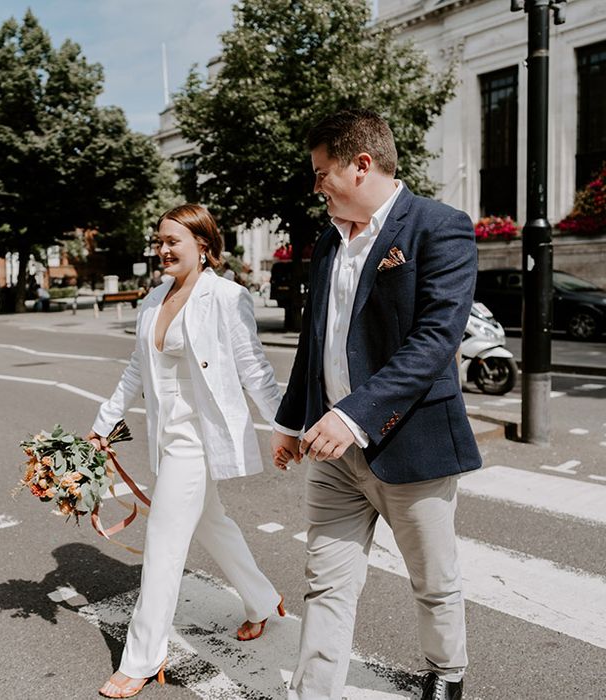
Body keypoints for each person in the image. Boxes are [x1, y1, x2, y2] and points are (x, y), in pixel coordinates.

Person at [271, 108, 481, 700]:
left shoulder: (439, 227)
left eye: (321, 172)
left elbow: (436, 341)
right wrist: (293, 419)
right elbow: (317, 339)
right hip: (332, 451)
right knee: (326, 584)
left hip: (409, 443)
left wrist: (354, 415)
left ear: (362, 165)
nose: (315, 186)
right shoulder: (327, 243)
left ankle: (447, 672)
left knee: (433, 581)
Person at [89, 203, 286, 699]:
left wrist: (290, 425)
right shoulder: (154, 299)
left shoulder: (226, 297)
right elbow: (136, 370)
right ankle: (263, 601)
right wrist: (102, 425)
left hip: (198, 440)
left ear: (203, 244)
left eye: (173, 240)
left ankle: (143, 657)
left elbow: (254, 369)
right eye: (159, 240)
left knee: (162, 544)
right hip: (167, 437)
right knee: (212, 523)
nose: (163, 249)